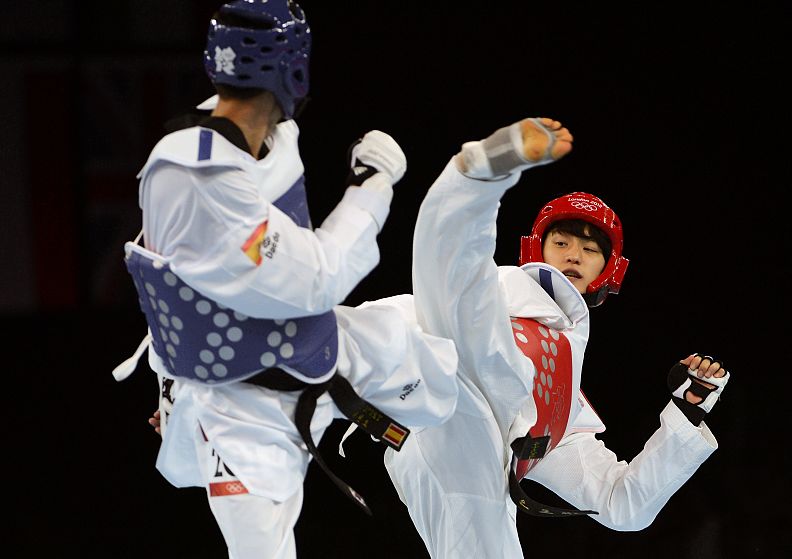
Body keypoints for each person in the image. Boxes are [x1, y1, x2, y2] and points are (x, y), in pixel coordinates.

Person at [113, 2, 458, 558]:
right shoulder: (200, 180)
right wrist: (373, 185)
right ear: (293, 70)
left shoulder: (266, 136)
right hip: (241, 408)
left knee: (442, 386)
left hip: (317, 347)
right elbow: (318, 278)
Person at [383, 117, 730, 558]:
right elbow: (422, 302)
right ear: (536, 250)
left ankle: (475, 179)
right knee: (450, 293)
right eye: (562, 243)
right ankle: (476, 177)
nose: (573, 256)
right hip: (443, 422)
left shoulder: (559, 407)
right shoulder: (498, 291)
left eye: (589, 250)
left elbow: (621, 505)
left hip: (485, 467)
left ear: (608, 272)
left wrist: (686, 415)